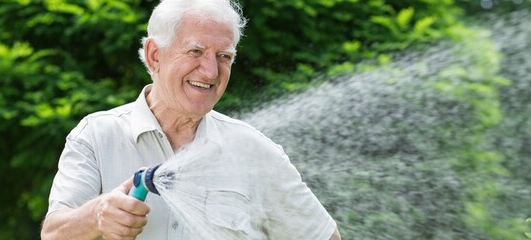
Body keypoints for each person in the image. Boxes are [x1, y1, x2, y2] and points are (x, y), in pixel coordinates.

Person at [40, 0, 341, 239]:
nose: (211, 71)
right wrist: (97, 215)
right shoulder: (96, 136)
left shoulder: (257, 152)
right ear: (155, 54)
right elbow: (53, 234)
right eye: (196, 51)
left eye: (224, 57)